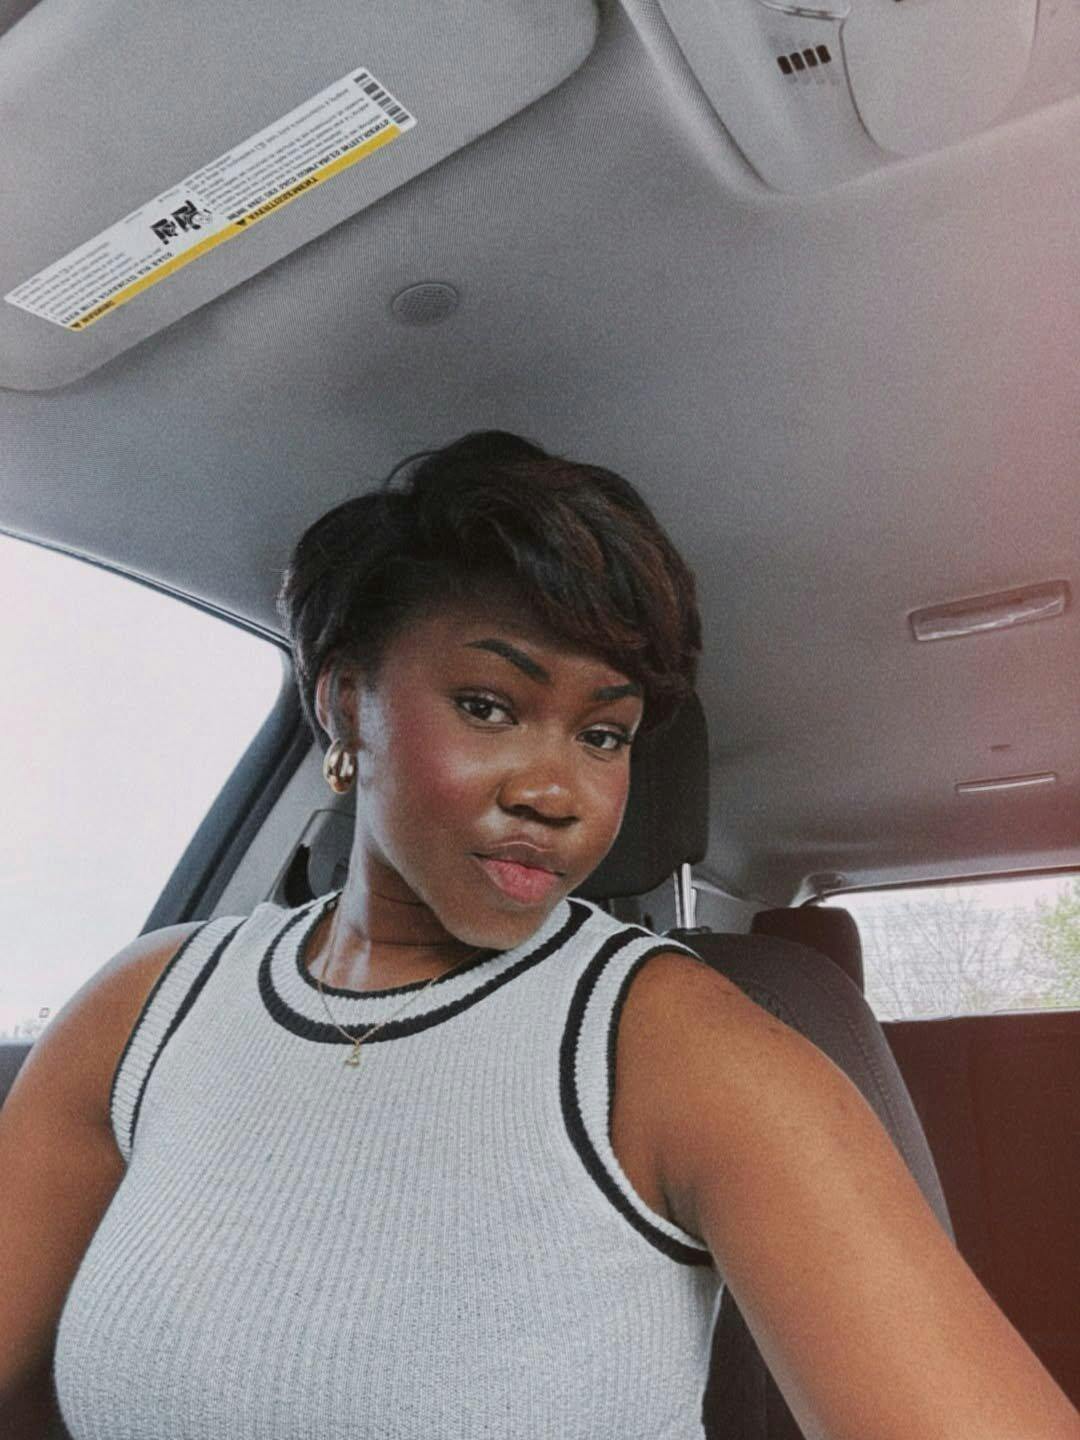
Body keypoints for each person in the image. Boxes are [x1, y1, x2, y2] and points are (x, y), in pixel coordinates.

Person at [0, 430, 1076, 1440]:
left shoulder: (689, 1050)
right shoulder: (143, 1011)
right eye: (489, 706)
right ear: (345, 702)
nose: (556, 793)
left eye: (604, 735)